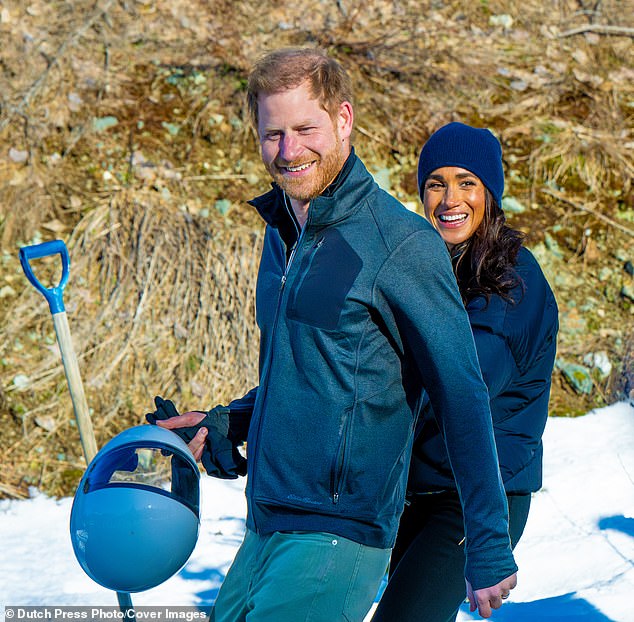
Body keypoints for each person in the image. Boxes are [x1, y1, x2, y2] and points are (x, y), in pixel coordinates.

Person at [149, 50, 518, 622]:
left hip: (337, 535)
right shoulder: (281, 236)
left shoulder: (398, 243)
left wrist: (489, 543)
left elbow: (461, 392)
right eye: (273, 134)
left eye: (304, 129)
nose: (289, 151)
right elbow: (311, 372)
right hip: (264, 527)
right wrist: (227, 421)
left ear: (344, 120)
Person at [372, 122, 559, 622]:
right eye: (436, 183)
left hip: (475, 499)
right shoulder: (428, 271)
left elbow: (461, 383)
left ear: (490, 193)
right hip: (415, 490)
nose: (450, 198)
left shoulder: (512, 281)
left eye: (466, 182)